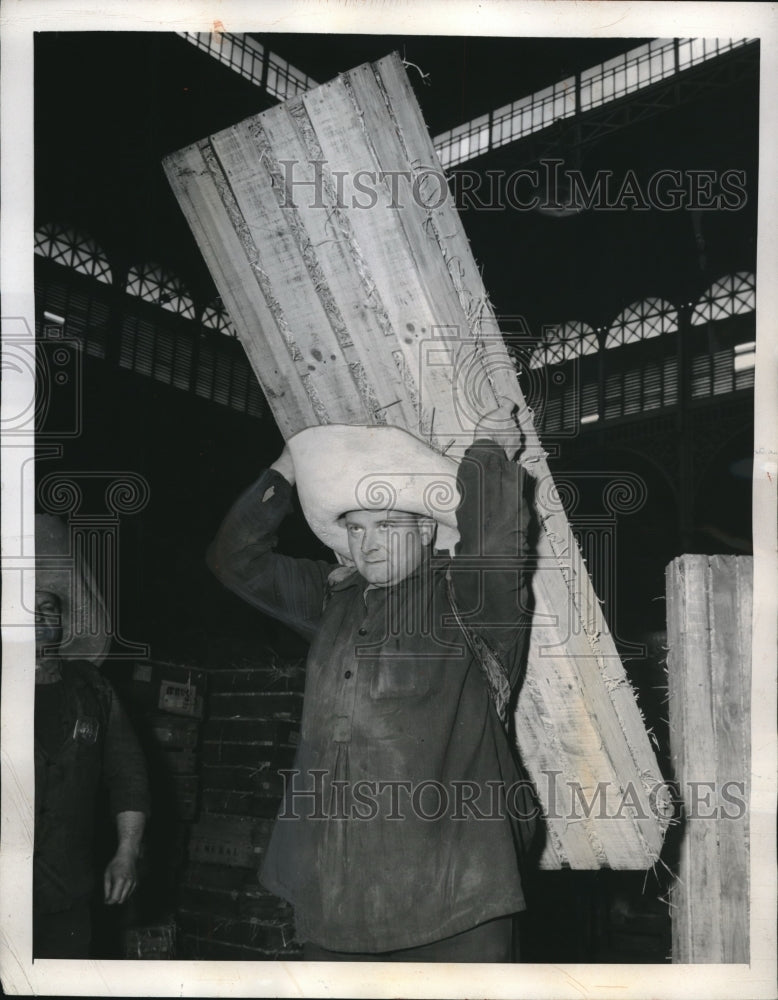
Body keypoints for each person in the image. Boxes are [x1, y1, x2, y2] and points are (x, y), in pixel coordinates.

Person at [206, 406, 537, 961]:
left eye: (387, 525)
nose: (368, 545)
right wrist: (286, 470)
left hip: (457, 898)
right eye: (356, 529)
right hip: (334, 892)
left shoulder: (470, 601)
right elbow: (233, 560)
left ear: (428, 527)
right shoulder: (334, 597)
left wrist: (489, 455)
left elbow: (499, 545)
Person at [33, 514, 150, 958]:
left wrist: (127, 851)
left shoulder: (92, 688)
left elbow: (128, 774)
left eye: (49, 607)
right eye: (25, 606)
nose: (40, 617)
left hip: (68, 891)